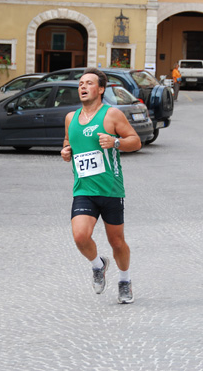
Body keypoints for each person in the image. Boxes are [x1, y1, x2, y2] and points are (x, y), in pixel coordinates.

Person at [60, 67, 142, 304]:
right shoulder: (70, 118)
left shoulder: (112, 115)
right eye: (80, 84)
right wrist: (66, 151)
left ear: (101, 89)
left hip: (110, 190)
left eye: (89, 83)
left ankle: (124, 281)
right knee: (80, 237)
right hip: (84, 189)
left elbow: (135, 141)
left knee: (117, 242)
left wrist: (115, 142)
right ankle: (98, 265)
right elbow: (68, 142)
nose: (83, 87)